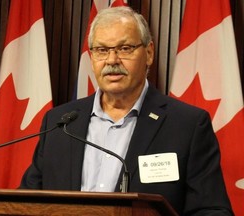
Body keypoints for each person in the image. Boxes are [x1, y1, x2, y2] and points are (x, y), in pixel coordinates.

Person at [19, 6, 233, 215]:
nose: (112, 60)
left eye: (125, 49)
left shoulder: (187, 125)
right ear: (92, 57)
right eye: (102, 50)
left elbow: (212, 210)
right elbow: (25, 203)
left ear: (148, 53)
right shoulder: (60, 123)